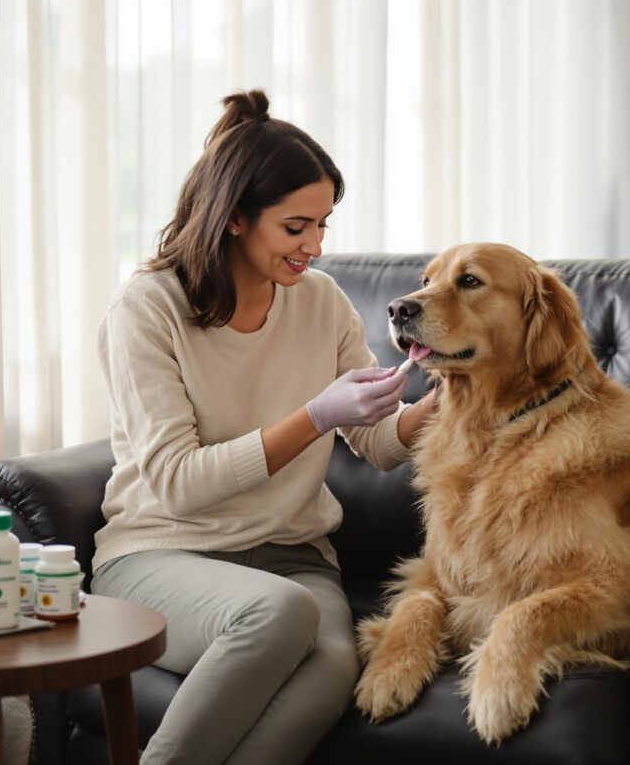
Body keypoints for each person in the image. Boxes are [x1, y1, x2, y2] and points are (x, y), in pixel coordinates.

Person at [91, 88, 437, 765]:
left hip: (292, 556)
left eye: (323, 226)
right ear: (234, 220)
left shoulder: (322, 302)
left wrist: (444, 404)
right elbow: (178, 485)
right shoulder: (148, 309)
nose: (313, 246)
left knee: (335, 665)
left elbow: (379, 443)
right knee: (278, 613)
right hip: (163, 553)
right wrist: (315, 417)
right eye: (296, 226)